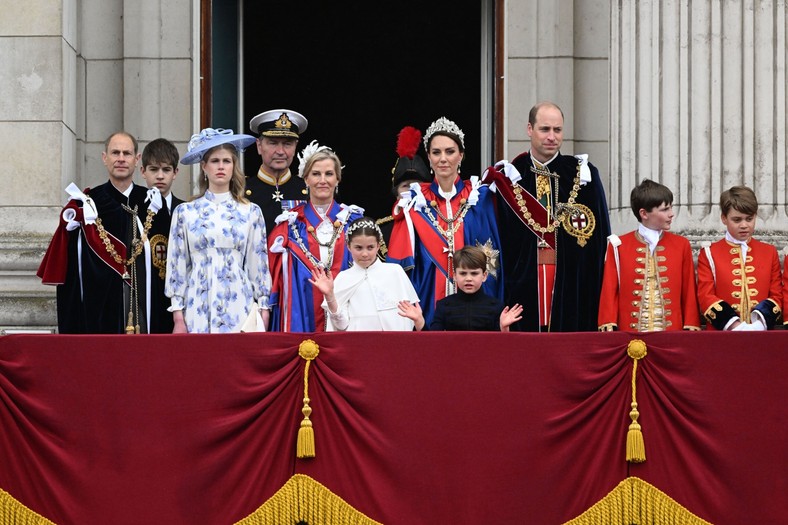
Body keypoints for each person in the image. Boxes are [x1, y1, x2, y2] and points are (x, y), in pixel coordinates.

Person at [482, 101, 611, 332]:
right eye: (544, 129)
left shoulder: (583, 175)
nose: (552, 137)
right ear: (529, 129)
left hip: (572, 284)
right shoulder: (508, 177)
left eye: (557, 130)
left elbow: (601, 239)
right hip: (521, 284)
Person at [387, 116, 503, 328]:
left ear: (461, 155)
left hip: (475, 299)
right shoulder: (414, 202)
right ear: (429, 158)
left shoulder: (480, 196)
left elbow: (492, 254)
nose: (443, 158)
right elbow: (399, 267)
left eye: (450, 151)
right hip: (428, 293)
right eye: (436, 152)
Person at [38, 131, 158, 334]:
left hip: (143, 313)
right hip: (98, 315)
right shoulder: (86, 204)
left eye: (127, 153)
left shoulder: (152, 203)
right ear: (105, 158)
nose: (121, 158)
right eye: (115, 153)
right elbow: (73, 272)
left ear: (137, 160)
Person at [165, 128, 271, 333]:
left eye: (226, 161)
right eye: (214, 161)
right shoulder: (185, 212)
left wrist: (264, 307)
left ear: (234, 167)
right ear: (204, 166)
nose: (221, 166)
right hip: (197, 304)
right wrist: (178, 315)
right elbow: (177, 265)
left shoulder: (250, 212)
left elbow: (258, 263)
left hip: (239, 303)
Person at [268, 141, 365, 332]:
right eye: (316, 174)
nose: (323, 180)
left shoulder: (354, 221)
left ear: (338, 179)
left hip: (349, 318)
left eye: (329, 174)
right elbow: (273, 281)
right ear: (305, 179)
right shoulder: (288, 227)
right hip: (302, 316)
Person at [597, 179, 701, 332]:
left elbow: (689, 291)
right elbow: (609, 290)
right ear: (644, 213)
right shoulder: (618, 245)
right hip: (631, 336)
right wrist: (608, 323)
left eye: (671, 208)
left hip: (672, 335)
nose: (671, 214)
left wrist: (691, 325)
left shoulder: (681, 245)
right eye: (665, 209)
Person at [308, 217, 424, 331]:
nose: (364, 254)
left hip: (392, 345)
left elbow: (411, 321)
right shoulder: (344, 278)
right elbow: (341, 326)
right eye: (358, 248)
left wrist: (419, 320)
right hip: (358, 345)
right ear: (348, 246)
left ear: (378, 246)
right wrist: (329, 295)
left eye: (370, 247)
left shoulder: (395, 272)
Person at [697, 186, 782, 331]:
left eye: (749, 219)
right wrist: (736, 326)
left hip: (762, 335)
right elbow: (706, 296)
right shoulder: (709, 253)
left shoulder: (769, 252)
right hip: (722, 336)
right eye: (737, 220)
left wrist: (759, 325)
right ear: (724, 218)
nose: (744, 225)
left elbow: (777, 295)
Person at [140, 138, 184, 333]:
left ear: (175, 173)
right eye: (153, 169)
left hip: (180, 299)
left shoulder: (186, 210)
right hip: (146, 295)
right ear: (142, 171)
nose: (160, 176)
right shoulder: (134, 211)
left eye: (166, 170)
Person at [426, 246, 523, 331]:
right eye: (463, 273)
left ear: (484, 276)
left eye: (474, 273)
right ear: (455, 276)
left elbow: (504, 346)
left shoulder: (496, 307)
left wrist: (504, 328)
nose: (468, 279)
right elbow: (433, 342)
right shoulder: (443, 305)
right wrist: (419, 321)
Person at [375, 126, 432, 261]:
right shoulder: (381, 230)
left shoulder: (441, 224)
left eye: (417, 185)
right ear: (396, 193)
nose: (412, 191)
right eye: (405, 186)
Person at [246, 109, 309, 232]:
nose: (280, 151)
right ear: (259, 146)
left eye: (287, 144)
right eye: (273, 143)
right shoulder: (241, 190)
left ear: (295, 146)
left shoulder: (307, 190)